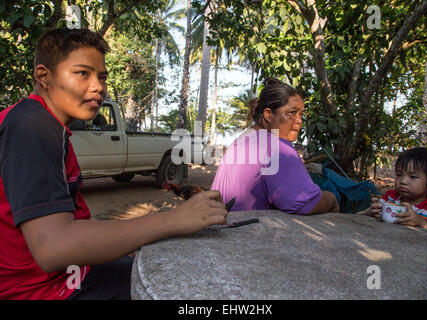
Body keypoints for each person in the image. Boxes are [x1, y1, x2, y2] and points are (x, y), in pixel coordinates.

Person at [0, 28, 227, 300]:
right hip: (46, 290)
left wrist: (121, 241)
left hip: (70, 273)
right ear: (44, 76)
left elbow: (66, 220)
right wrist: (174, 220)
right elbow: (53, 247)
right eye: (83, 73)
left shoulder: (43, 123)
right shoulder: (33, 127)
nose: (98, 87)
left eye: (102, 76)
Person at [211, 78, 339, 215]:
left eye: (300, 114)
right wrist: (332, 199)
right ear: (268, 115)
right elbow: (302, 203)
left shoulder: (240, 142)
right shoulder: (277, 147)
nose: (299, 120)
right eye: (292, 113)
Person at [368, 147, 427, 234]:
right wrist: (371, 212)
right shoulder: (390, 198)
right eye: (399, 175)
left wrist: (421, 223)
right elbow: (361, 216)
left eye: (413, 177)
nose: (403, 181)